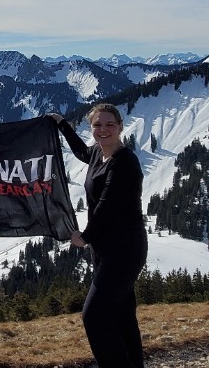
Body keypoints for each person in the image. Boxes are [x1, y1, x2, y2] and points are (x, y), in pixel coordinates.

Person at [50, 104, 147, 367]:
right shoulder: (98, 154)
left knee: (94, 317)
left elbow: (107, 205)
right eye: (97, 125)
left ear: (120, 127)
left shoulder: (124, 162)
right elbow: (82, 151)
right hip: (105, 250)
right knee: (122, 316)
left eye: (109, 125)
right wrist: (61, 124)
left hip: (125, 251)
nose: (103, 130)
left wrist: (85, 236)